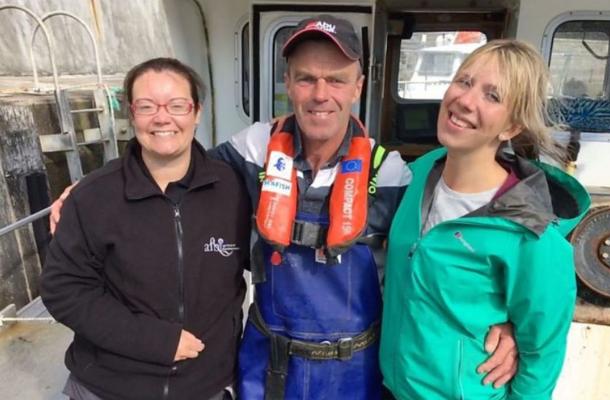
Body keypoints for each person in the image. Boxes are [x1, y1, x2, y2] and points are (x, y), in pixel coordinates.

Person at [49, 16, 518, 400]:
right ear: (288, 84)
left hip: (353, 372)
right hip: (266, 365)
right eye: (306, 78)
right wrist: (88, 191)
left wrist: (500, 320)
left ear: (357, 87)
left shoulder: (392, 173)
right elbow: (174, 169)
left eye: (336, 80)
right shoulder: (249, 152)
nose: (320, 94)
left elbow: (451, 255)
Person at [380, 39, 591, 399]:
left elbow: (542, 357)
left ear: (511, 127)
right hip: (390, 388)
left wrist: (517, 334)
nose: (465, 100)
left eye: (492, 96)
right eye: (464, 81)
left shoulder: (529, 233)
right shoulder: (415, 176)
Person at [41, 58, 251, 400]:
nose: (162, 118)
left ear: (197, 112)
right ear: (131, 113)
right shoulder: (93, 196)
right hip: (108, 387)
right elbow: (63, 290)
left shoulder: (234, 189)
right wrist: (157, 341)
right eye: (147, 106)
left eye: (177, 105)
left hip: (207, 386)